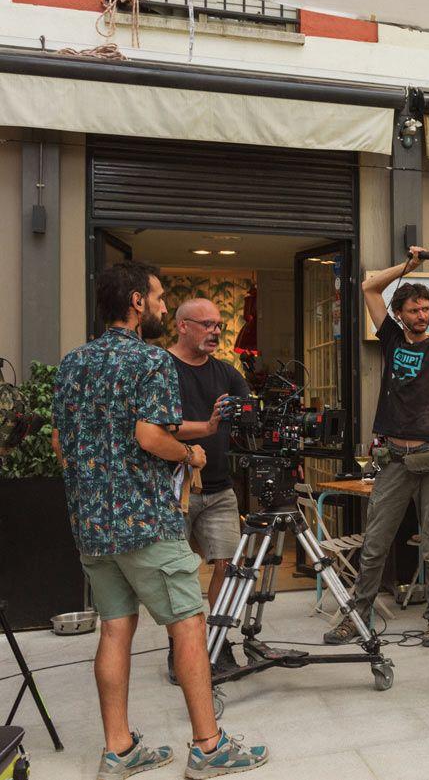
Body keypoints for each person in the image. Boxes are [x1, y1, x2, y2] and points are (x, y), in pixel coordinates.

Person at [51, 261, 267, 780]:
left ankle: (119, 751)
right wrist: (190, 456)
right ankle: (209, 747)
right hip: (146, 522)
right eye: (159, 297)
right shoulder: (150, 361)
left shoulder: (73, 362)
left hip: (92, 526)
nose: (164, 307)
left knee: (115, 629)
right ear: (135, 301)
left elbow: (60, 445)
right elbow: (151, 437)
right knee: (189, 625)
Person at [325, 245, 429, 648]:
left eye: (426, 309)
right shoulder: (390, 339)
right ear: (400, 313)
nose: (422, 315)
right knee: (375, 545)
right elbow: (369, 290)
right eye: (415, 309)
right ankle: (355, 616)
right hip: (394, 461)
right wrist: (407, 266)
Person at [167, 297, 251, 677]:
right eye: (206, 324)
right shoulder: (161, 369)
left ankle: (218, 644)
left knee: (228, 565)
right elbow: (153, 428)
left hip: (219, 489)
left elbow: (250, 414)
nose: (215, 331)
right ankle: (180, 651)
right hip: (173, 491)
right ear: (183, 325)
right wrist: (207, 425)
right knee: (177, 573)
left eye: (218, 325)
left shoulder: (227, 373)